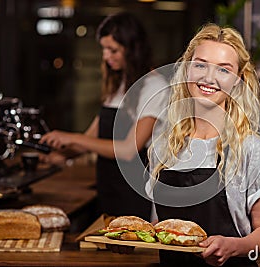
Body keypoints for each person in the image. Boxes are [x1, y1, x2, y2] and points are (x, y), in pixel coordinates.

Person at [145, 23, 260, 266]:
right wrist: (135, 240)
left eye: (223, 70)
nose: (209, 77)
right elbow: (160, 227)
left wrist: (233, 246)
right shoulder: (165, 146)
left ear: (238, 81)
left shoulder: (252, 149)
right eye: (200, 65)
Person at [40, 12, 170, 219]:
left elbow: (129, 150)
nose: (106, 56)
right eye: (104, 49)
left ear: (133, 49)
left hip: (137, 192)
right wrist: (59, 155)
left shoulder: (155, 87)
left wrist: (70, 137)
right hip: (109, 187)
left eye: (113, 50)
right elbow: (91, 138)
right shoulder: (118, 86)